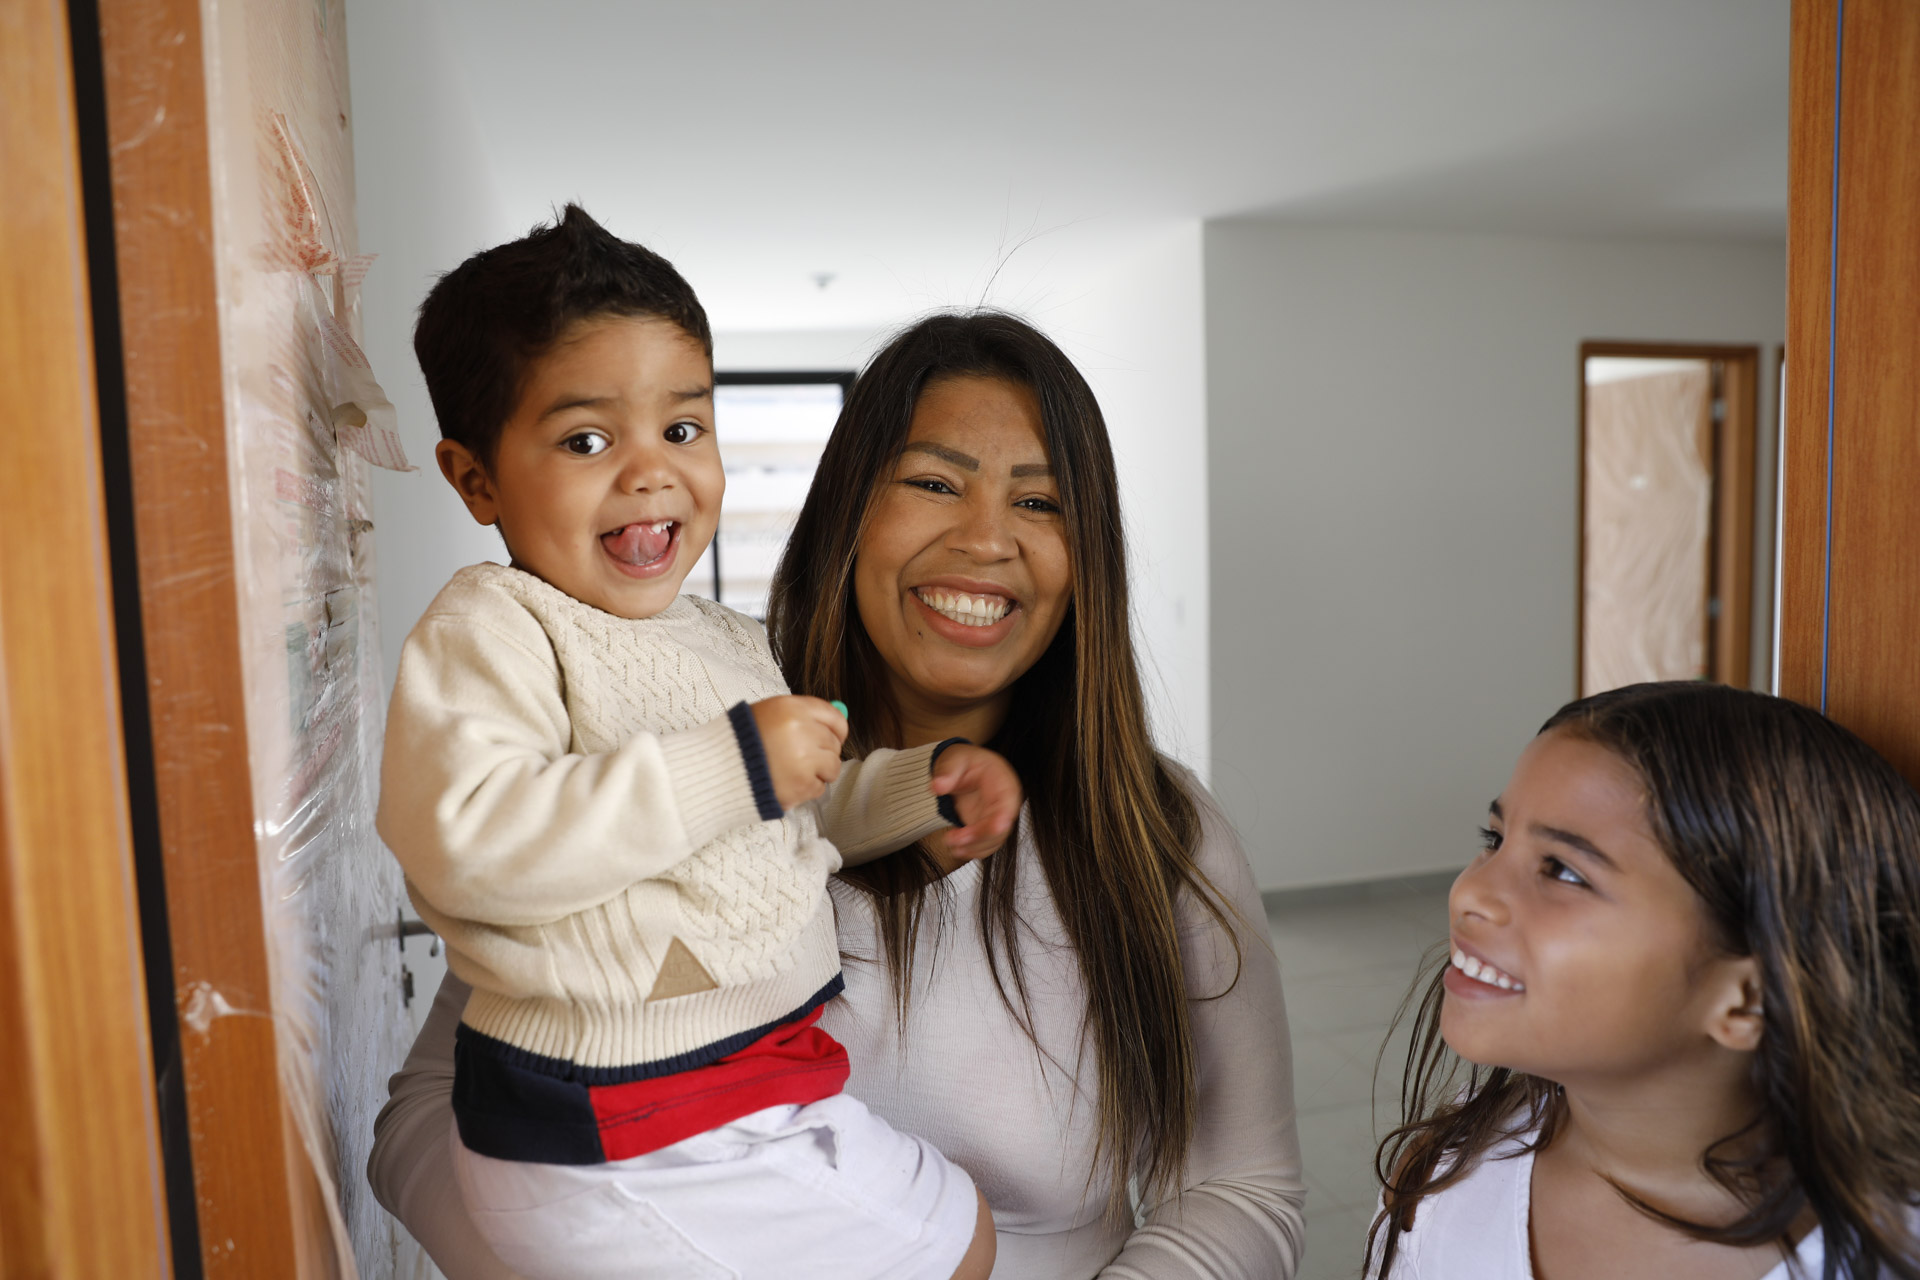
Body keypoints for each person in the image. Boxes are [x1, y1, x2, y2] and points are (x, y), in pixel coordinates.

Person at [370, 309, 1308, 1279]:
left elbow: (1246, 1190)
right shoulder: (668, 767)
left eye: (1040, 503)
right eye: (935, 483)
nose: (987, 539)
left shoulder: (1156, 828)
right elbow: (430, 1108)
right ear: (849, 508)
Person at [379, 206, 1020, 1280]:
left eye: (683, 430)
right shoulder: (494, 626)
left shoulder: (723, 636)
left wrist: (919, 791)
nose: (650, 473)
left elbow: (791, 814)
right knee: (958, 1240)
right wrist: (735, 762)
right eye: (587, 441)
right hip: (613, 1126)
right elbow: (468, 842)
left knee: (959, 1229)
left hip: (734, 1088)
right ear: (475, 477)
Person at [1365, 682, 1920, 1280]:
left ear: (1747, 998)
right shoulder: (1445, 1173)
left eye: (1564, 871)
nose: (1470, 891)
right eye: (1494, 840)